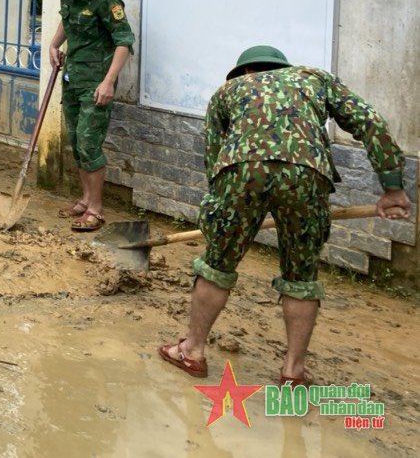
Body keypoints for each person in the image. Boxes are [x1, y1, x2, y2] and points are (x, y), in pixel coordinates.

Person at [159, 46, 412, 385]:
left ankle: (192, 351)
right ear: (282, 68)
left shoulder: (227, 91)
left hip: (240, 172)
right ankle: (293, 370)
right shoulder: (314, 78)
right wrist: (392, 187)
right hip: (307, 176)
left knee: (217, 264)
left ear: (245, 72)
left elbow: (214, 159)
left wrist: (225, 216)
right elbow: (368, 121)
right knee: (301, 276)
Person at [47, 0, 134, 232]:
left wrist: (109, 81)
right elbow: (67, 21)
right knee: (75, 140)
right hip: (73, 78)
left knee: (88, 142)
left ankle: (96, 209)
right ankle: (84, 200)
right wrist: (54, 44)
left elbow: (123, 42)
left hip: (97, 83)